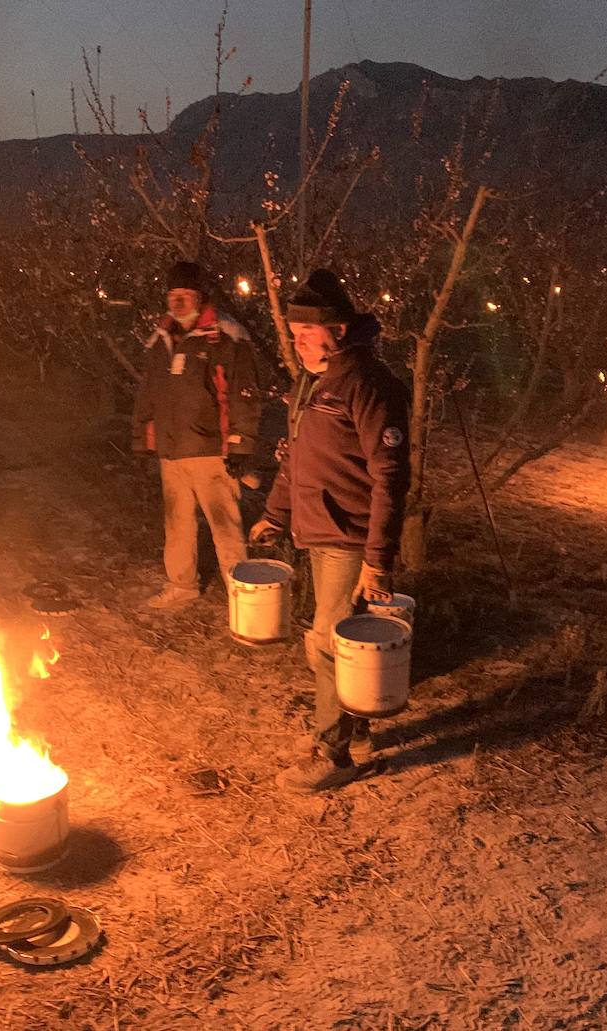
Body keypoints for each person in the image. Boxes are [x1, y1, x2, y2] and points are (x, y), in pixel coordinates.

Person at [250, 270, 410, 793]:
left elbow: (390, 475)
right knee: (331, 640)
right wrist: (276, 514)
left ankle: (334, 754)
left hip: (351, 537)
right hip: (318, 531)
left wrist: (378, 559)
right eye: (292, 333)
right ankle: (356, 739)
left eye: (305, 334)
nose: (297, 343)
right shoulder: (314, 382)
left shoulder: (367, 383)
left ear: (338, 331)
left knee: (328, 643)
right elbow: (296, 457)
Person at [133, 260, 261, 609]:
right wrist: (143, 437)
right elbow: (149, 391)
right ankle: (182, 585)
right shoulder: (161, 339)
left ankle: (244, 598)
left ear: (200, 298)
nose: (177, 302)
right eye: (172, 295)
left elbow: (243, 392)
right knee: (177, 525)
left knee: (225, 526)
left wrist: (240, 443)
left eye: (185, 295)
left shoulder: (225, 336)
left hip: (210, 450)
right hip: (172, 452)